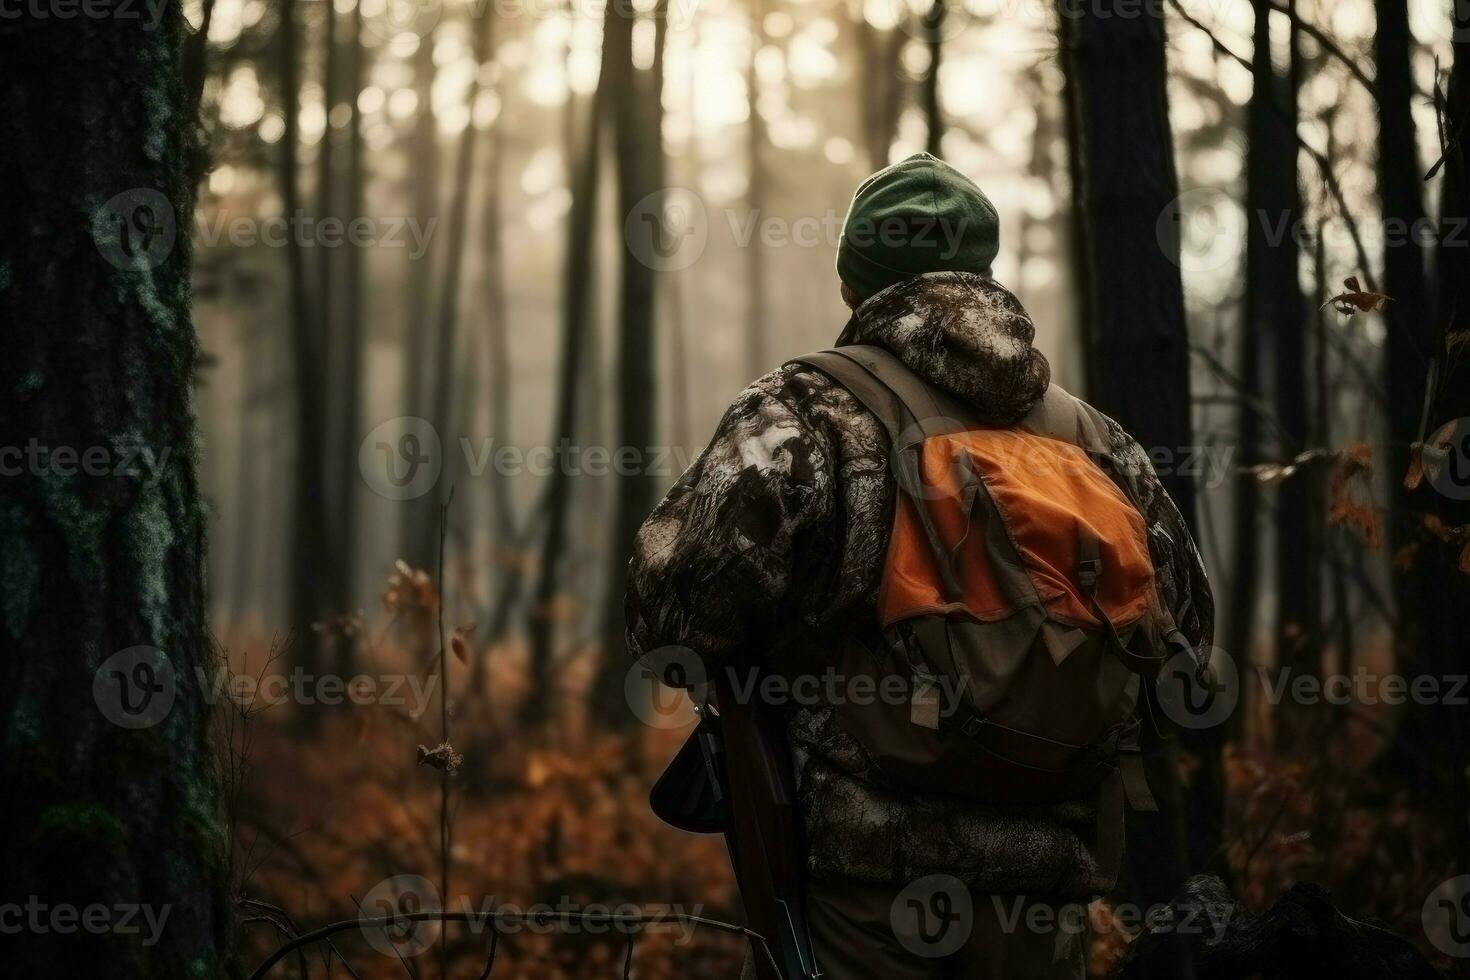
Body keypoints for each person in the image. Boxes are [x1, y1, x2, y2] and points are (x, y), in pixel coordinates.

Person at [624, 152, 1213, 979]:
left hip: (867, 904)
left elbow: (674, 606)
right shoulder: (1096, 440)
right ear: (985, 272)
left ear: (851, 285)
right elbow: (1182, 632)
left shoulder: (807, 411)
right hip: (1046, 901)